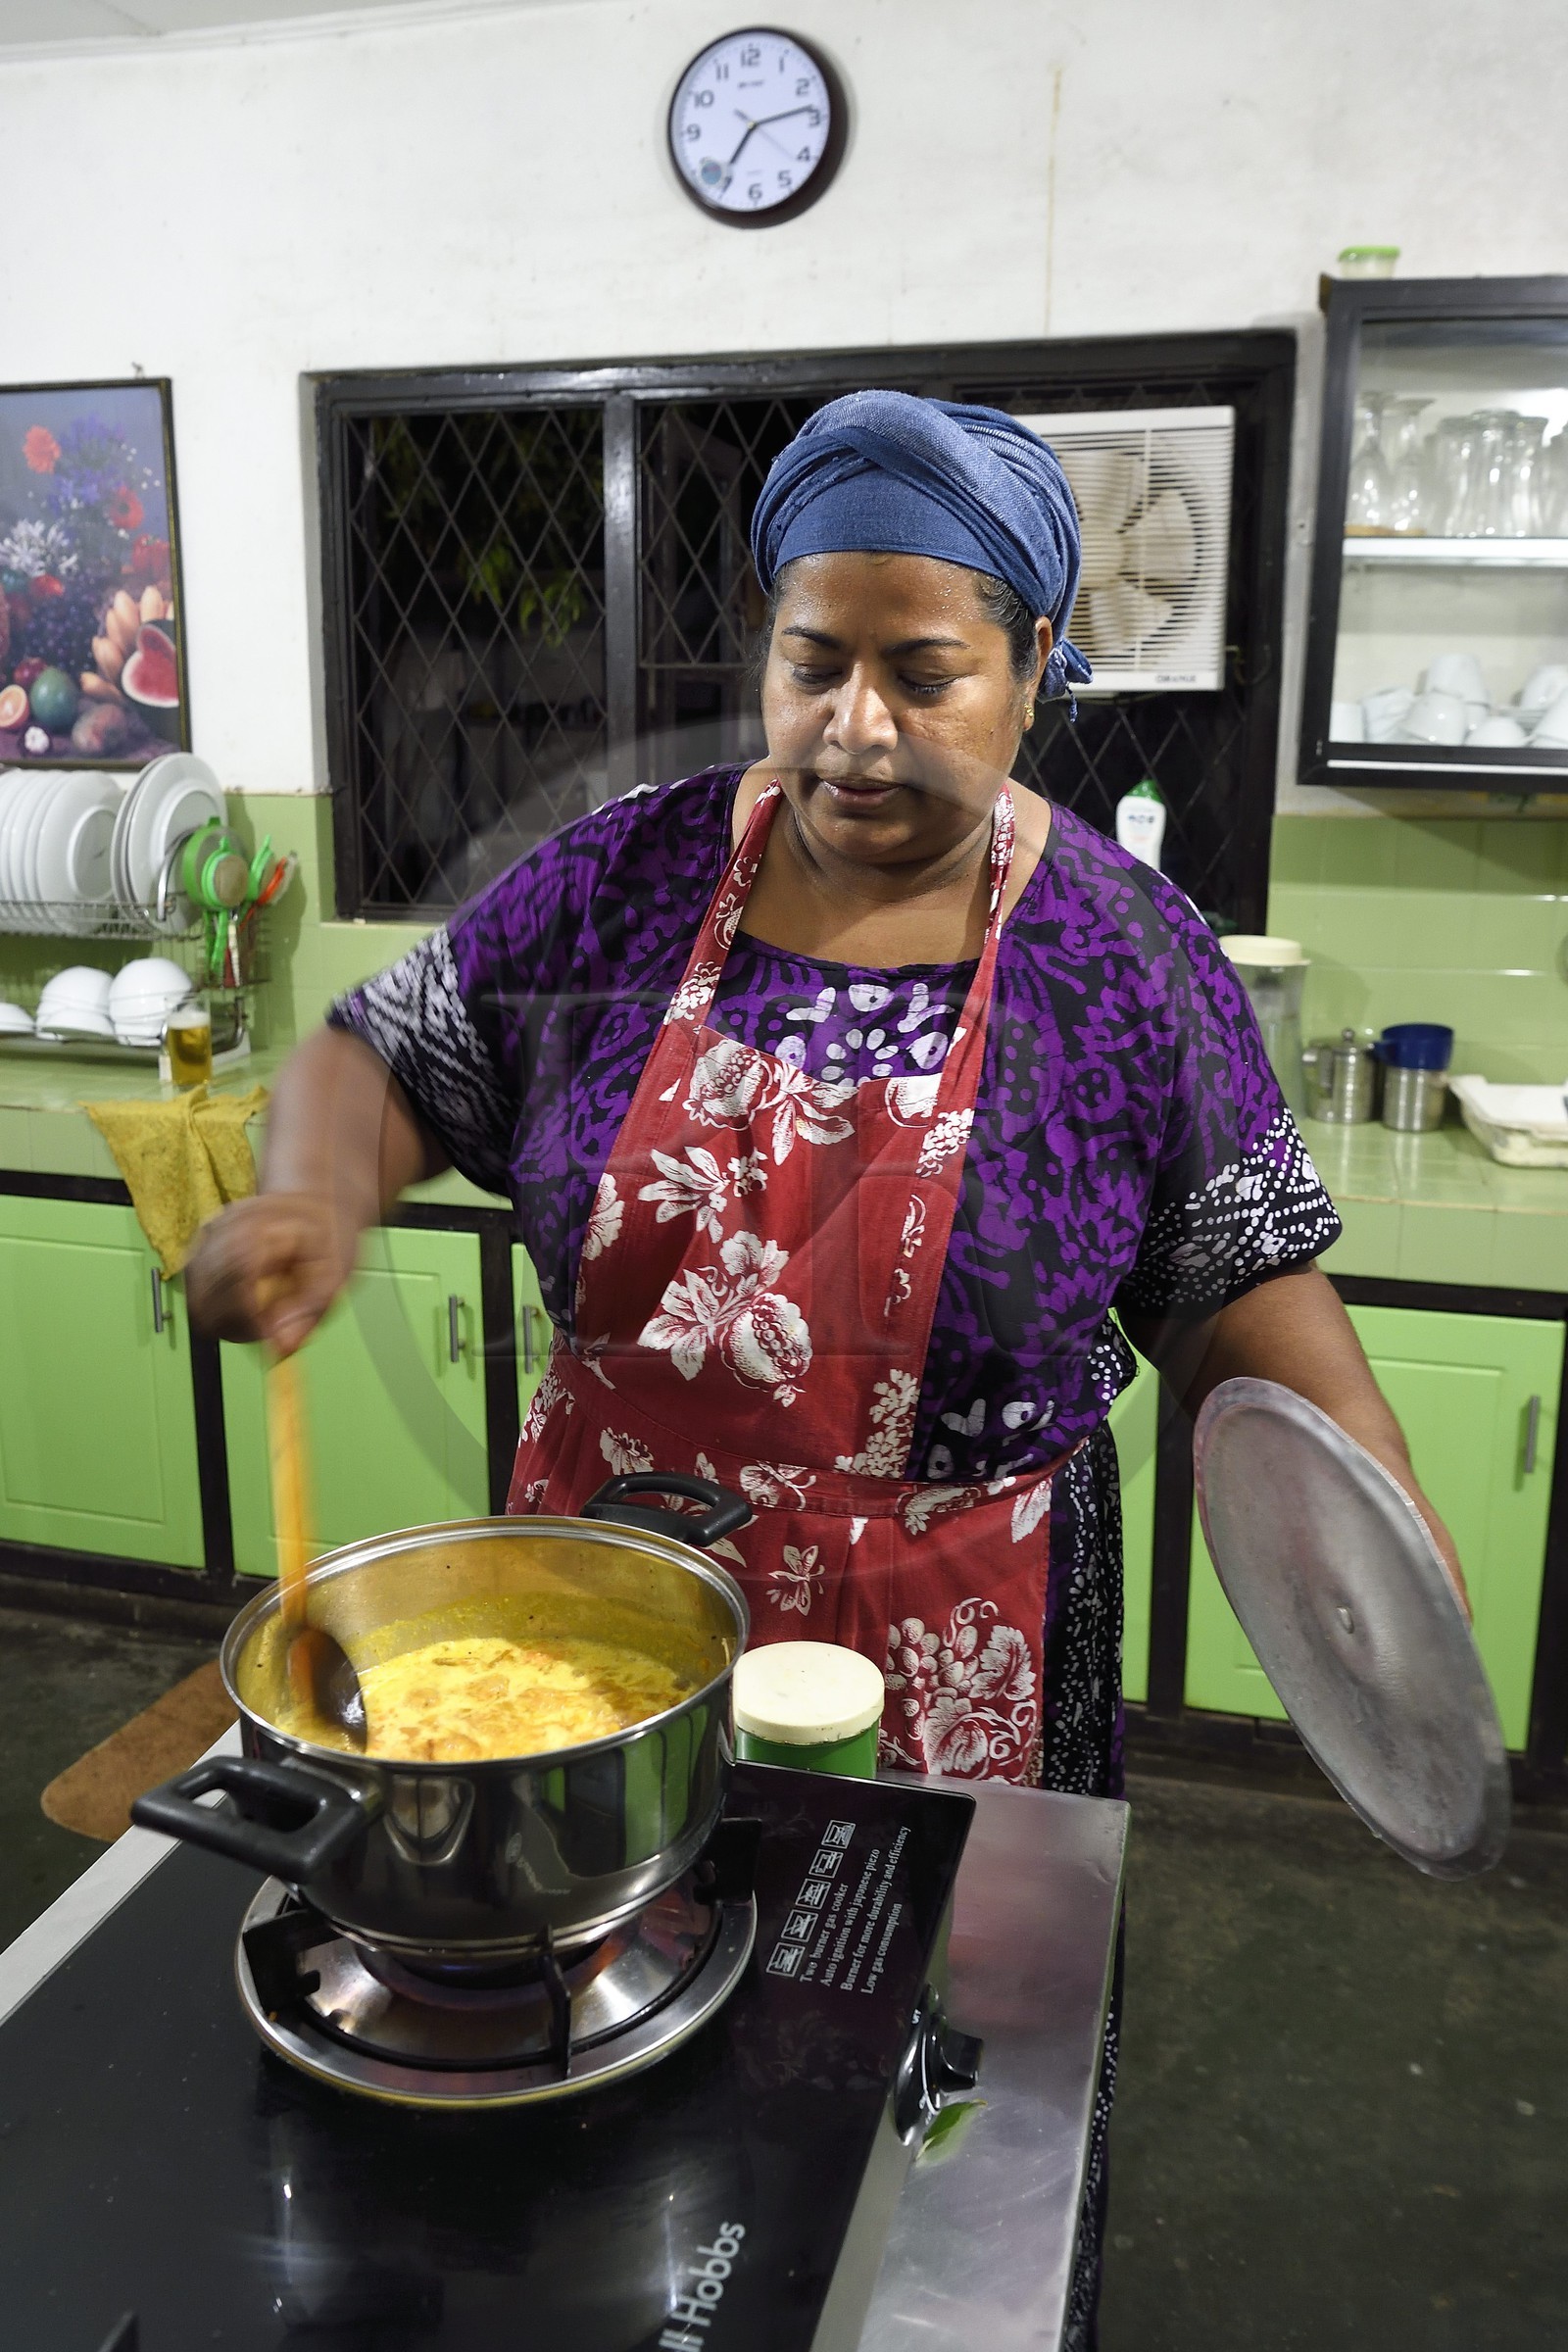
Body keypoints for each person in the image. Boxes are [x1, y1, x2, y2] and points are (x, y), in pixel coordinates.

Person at [187, 390, 1460, 2346]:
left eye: (923, 671)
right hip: (590, 1648)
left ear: (1037, 667)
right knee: (576, 2157)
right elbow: (383, 1057)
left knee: (907, 2172)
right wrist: (308, 1192)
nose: (854, 725)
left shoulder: (1123, 960)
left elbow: (1233, 1289)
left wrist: (1369, 1519)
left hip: (949, 1675)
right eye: (811, 661)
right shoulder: (610, 886)